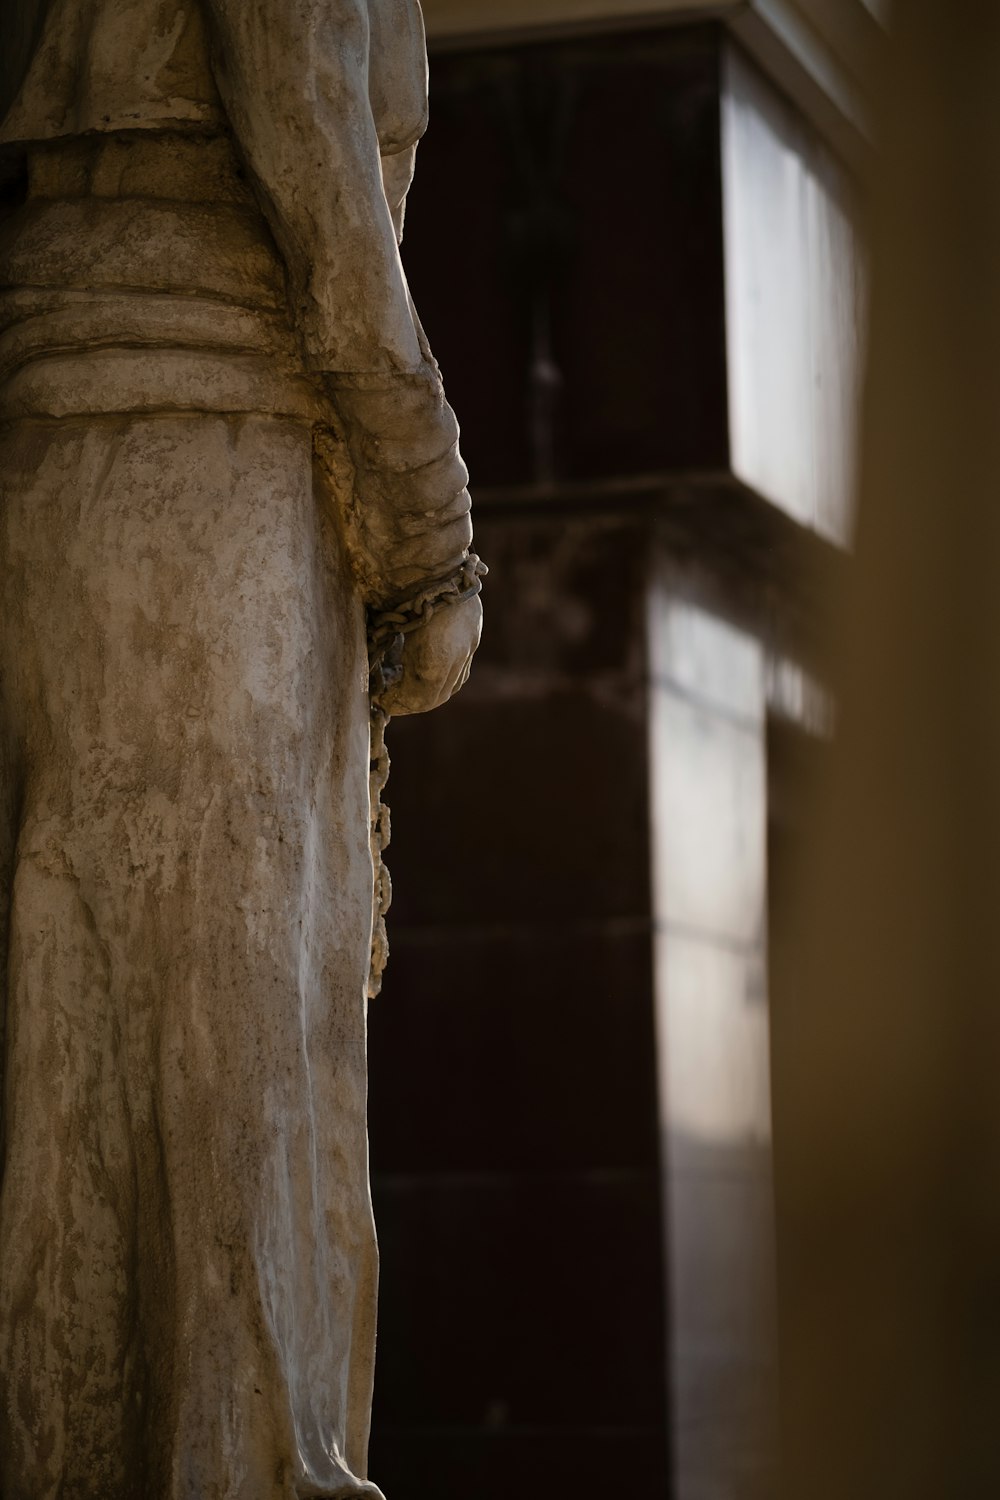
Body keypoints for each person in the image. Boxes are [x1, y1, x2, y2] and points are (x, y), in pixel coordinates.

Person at [0, 2, 481, 1495]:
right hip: (210, 436)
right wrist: (428, 524)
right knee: (231, 1061)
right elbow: (320, 158)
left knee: (80, 1036)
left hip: (74, 419)